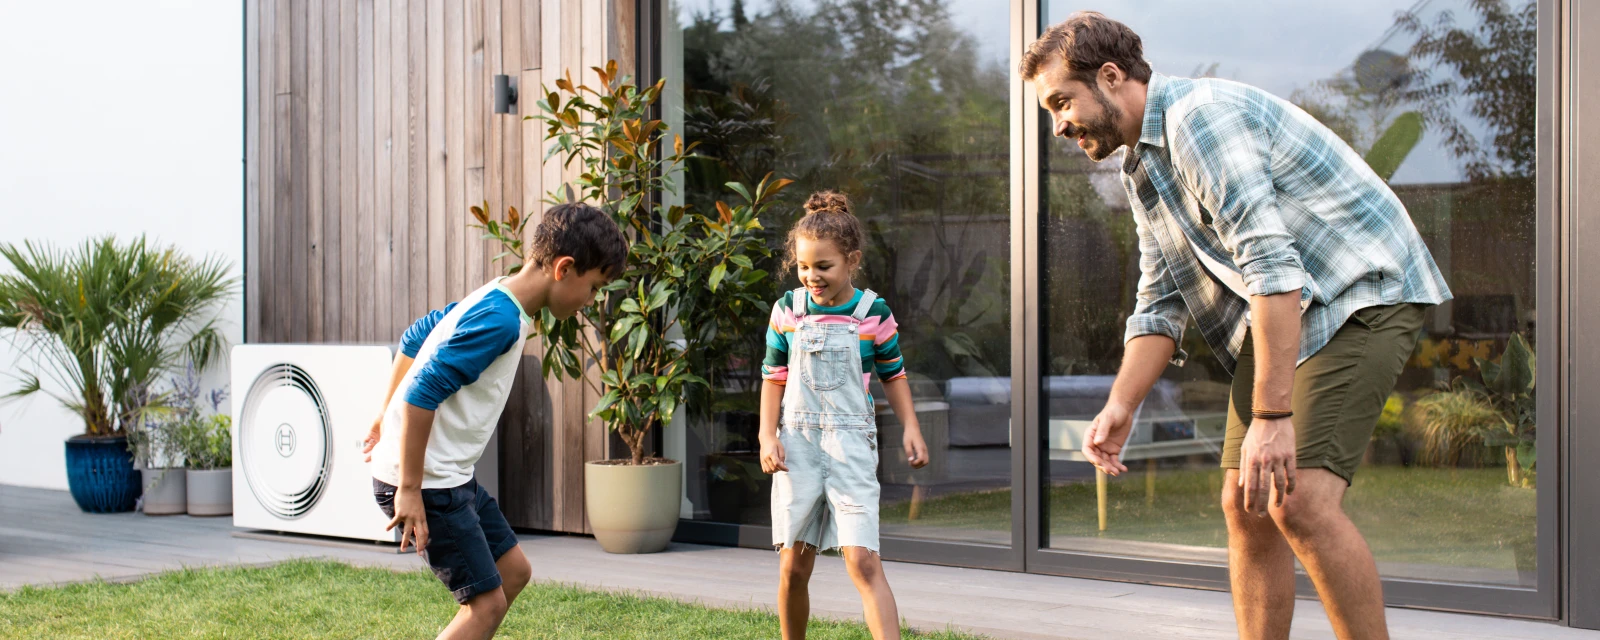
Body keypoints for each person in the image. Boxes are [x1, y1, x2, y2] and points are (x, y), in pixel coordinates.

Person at [1021, 12, 1451, 640]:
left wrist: (1273, 418)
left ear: (1110, 78)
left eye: (1062, 101)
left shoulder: (1200, 119)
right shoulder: (1141, 168)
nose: (1058, 124)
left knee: (1297, 499)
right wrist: (1122, 404)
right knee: (1247, 502)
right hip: (1287, 304)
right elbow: (1161, 296)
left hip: (1361, 287)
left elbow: (1272, 265)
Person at [361, 202, 627, 639]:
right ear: (564, 268)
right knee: (485, 606)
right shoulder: (501, 319)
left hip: (448, 476)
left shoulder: (497, 295)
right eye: (595, 287)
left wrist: (379, 420)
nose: (592, 301)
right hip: (426, 483)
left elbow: (414, 337)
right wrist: (408, 488)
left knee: (513, 571)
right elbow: (421, 395)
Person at [758, 190, 931, 640]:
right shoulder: (787, 312)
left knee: (862, 560)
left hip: (849, 447)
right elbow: (773, 377)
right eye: (803, 267)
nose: (812, 277)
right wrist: (766, 435)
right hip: (796, 446)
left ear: (851, 260)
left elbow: (894, 374)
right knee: (793, 565)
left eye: (824, 266)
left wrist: (911, 426)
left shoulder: (872, 312)